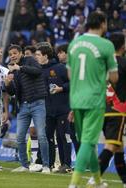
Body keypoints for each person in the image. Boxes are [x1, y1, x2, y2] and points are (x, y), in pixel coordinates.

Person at [67, 11, 118, 188]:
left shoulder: (74, 43)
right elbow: (114, 78)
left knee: (86, 142)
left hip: (76, 99)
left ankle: (97, 181)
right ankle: (74, 184)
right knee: (89, 142)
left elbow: (69, 73)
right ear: (103, 24)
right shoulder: (106, 45)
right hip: (94, 99)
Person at [87, 32, 126, 187]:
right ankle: (95, 178)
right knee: (111, 145)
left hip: (100, 108)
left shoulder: (102, 63)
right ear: (123, 46)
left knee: (118, 147)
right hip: (118, 109)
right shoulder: (122, 63)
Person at [5, 44, 50, 173]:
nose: (12, 56)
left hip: (37, 103)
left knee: (41, 135)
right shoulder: (12, 70)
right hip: (23, 106)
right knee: (19, 137)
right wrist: (8, 84)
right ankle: (25, 165)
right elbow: (13, 92)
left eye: (15, 53)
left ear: (21, 53)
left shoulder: (30, 60)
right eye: (10, 54)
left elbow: (38, 71)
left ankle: (46, 166)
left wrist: (20, 68)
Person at [35, 42, 72, 173]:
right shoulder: (38, 70)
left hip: (63, 109)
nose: (36, 57)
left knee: (63, 137)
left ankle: (66, 164)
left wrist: (62, 88)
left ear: (46, 56)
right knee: (47, 137)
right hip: (47, 110)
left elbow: (73, 82)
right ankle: (48, 164)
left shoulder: (60, 68)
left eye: (38, 55)